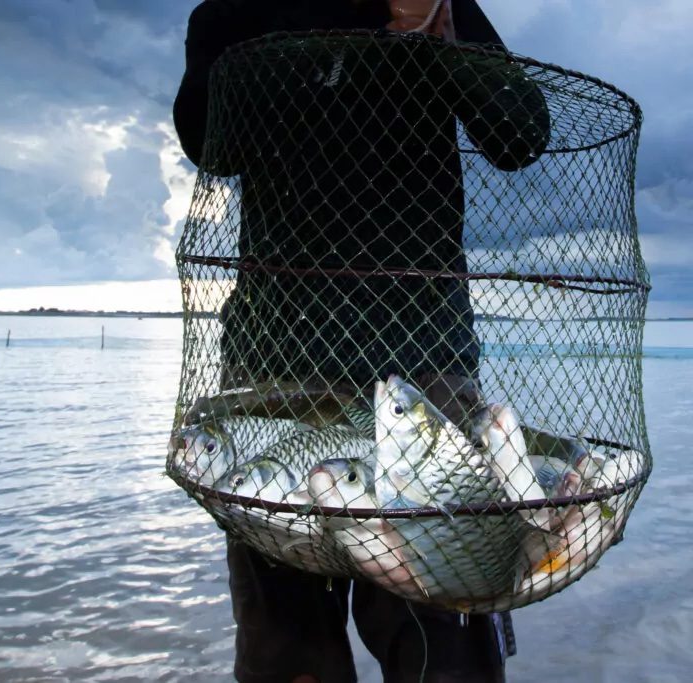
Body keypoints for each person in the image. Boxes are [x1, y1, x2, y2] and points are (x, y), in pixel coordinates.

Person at [173, 1, 550, 682]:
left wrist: (443, 33)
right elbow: (211, 146)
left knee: (446, 642)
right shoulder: (229, 15)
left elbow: (520, 134)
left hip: (423, 375)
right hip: (275, 381)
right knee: (288, 652)